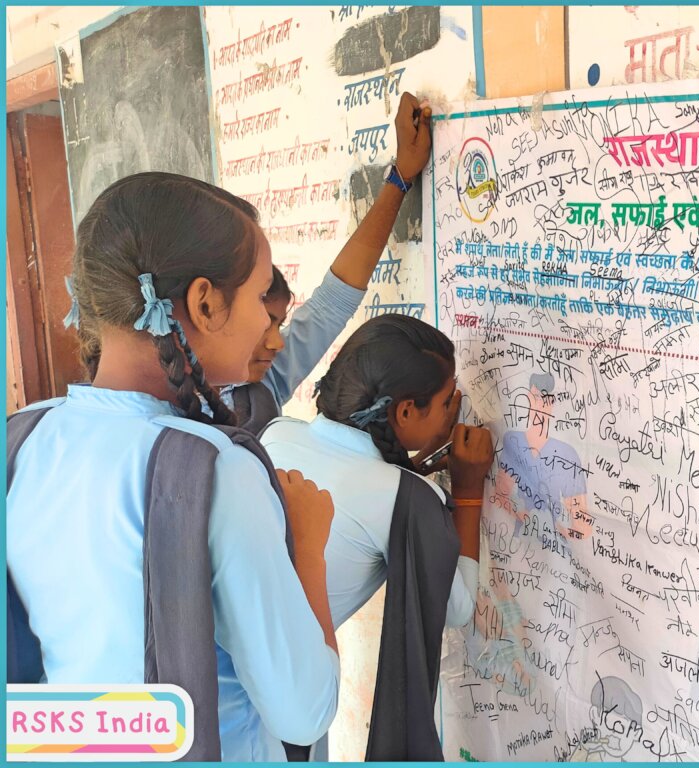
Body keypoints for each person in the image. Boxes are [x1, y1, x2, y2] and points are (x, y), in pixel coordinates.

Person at [7, 172, 340, 761]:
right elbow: (304, 710)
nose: (268, 327)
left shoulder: (23, 438)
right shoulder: (215, 473)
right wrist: (309, 550)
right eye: (261, 297)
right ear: (205, 304)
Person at [261, 313, 493, 633]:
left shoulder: (277, 433)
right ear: (406, 411)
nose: (448, 415)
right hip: (281, 664)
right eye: (444, 404)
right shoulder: (406, 498)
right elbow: (457, 610)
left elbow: (362, 491)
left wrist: (417, 463)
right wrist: (467, 490)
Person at [221, 92, 433, 433]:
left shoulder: (258, 383)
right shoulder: (172, 429)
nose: (278, 343)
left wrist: (401, 178)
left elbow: (332, 301)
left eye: (278, 325)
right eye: (264, 326)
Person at [494, 372, 593, 542]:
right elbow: (499, 496)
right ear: (528, 398)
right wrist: (519, 514)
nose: (541, 405)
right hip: (515, 543)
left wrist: (555, 530)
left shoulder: (566, 454)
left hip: (552, 547)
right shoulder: (514, 441)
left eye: (547, 399)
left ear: (553, 403)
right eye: (536, 397)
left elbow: (583, 527)